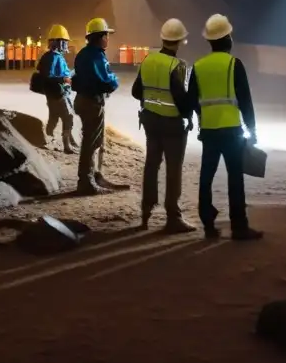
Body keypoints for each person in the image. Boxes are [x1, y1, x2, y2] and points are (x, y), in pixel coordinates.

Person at [188, 14, 263, 241]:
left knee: (206, 178)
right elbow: (245, 101)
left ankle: (208, 225)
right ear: (227, 38)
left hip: (209, 132)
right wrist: (252, 129)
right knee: (235, 178)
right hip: (232, 131)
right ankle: (239, 227)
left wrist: (203, 116)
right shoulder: (234, 64)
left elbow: (193, 100)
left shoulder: (199, 66)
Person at [131, 18, 196, 233]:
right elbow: (181, 100)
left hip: (151, 122)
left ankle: (145, 212)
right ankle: (172, 217)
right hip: (172, 125)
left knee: (151, 166)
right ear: (178, 42)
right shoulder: (176, 66)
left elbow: (136, 91)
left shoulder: (148, 60)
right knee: (173, 169)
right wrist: (191, 109)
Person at [71, 18, 128, 195]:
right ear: (99, 37)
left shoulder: (84, 53)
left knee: (94, 140)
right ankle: (86, 181)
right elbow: (106, 81)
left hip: (83, 100)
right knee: (91, 142)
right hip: (91, 102)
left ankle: (95, 176)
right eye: (106, 35)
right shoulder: (96, 56)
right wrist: (115, 80)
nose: (108, 39)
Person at [38, 24, 79, 154]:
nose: (66, 45)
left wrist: (72, 74)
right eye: (65, 42)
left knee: (54, 118)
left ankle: (47, 139)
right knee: (68, 118)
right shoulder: (53, 57)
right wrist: (64, 80)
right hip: (58, 94)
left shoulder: (52, 56)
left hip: (54, 94)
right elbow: (48, 76)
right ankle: (66, 145)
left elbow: (58, 73)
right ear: (59, 42)